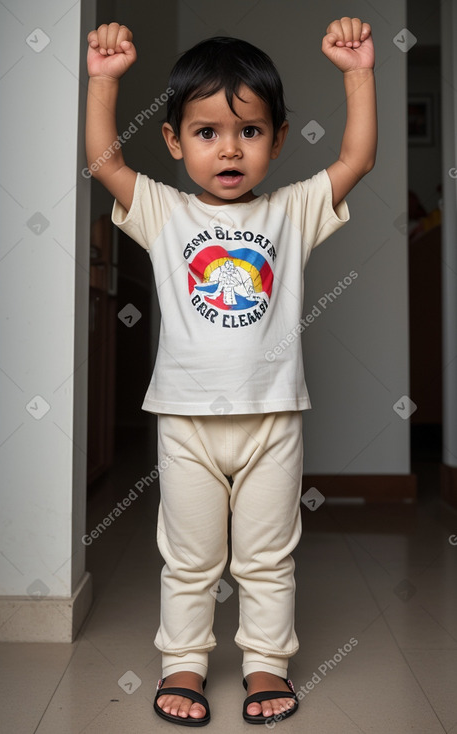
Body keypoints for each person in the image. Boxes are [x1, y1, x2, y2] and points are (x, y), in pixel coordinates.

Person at [86, 17, 376, 727]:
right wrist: (104, 83)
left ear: (278, 140)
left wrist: (357, 72)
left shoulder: (291, 210)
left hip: (271, 418)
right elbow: (103, 163)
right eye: (208, 131)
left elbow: (357, 158)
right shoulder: (163, 209)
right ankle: (182, 662)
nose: (229, 149)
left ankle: (263, 665)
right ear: (174, 140)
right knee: (189, 557)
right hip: (185, 421)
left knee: (266, 557)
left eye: (249, 131)